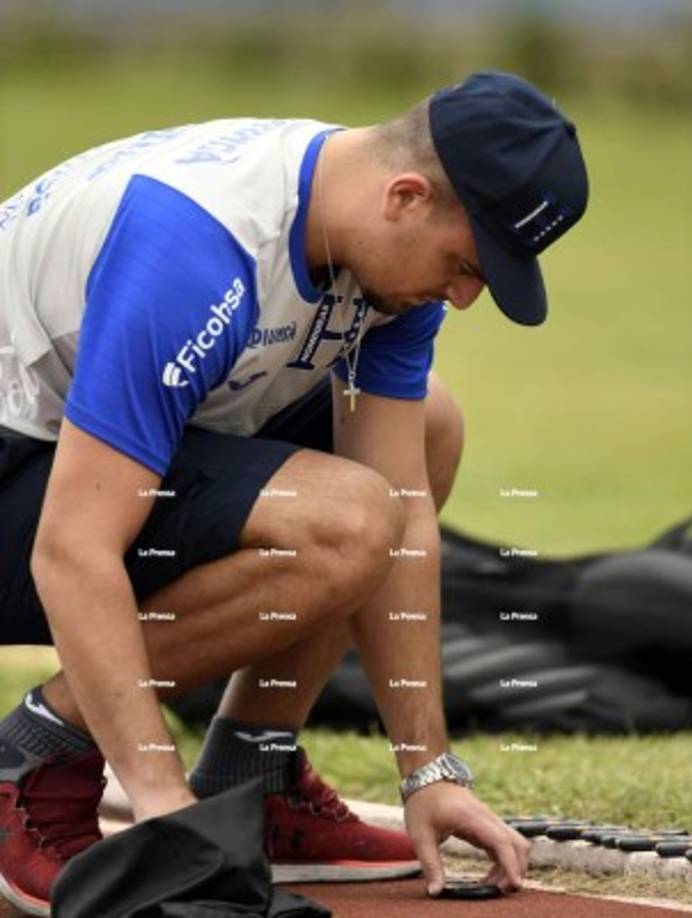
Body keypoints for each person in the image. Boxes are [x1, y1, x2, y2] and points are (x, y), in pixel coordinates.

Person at [0, 70, 588, 913]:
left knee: (425, 426)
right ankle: (35, 755)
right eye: (466, 264)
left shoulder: (364, 227)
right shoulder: (196, 248)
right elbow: (72, 547)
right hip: (21, 475)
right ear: (406, 196)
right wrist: (167, 815)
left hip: (57, 461)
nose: (465, 296)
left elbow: (405, 507)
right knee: (340, 520)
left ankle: (253, 768)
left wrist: (428, 769)